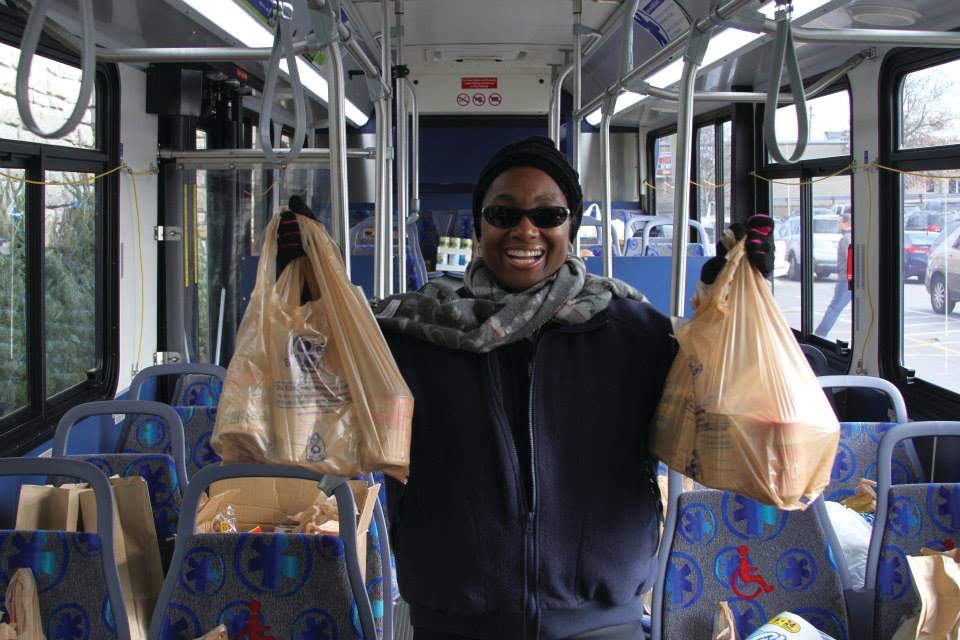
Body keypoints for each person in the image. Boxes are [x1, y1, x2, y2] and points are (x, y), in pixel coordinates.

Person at [278, 136, 774, 639]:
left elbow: (719, 420)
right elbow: (320, 407)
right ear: (479, 225)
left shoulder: (635, 334)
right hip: (455, 618)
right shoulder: (411, 333)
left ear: (571, 225)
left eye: (548, 215)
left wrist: (733, 309)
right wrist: (309, 299)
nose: (525, 230)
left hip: (600, 619)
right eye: (503, 214)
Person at [815, 213, 852, 336]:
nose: (837, 225)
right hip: (850, 278)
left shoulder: (846, 239)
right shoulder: (854, 237)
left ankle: (820, 335)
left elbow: (850, 260)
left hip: (846, 279)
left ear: (847, 223)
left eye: (839, 222)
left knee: (835, 308)